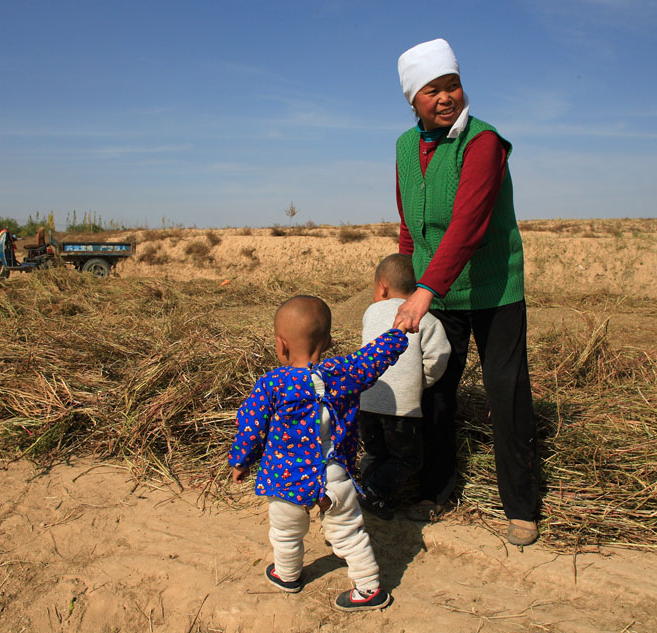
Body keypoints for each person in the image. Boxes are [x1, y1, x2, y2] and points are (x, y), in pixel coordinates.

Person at [391, 38, 541, 546]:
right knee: (434, 392)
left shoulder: (484, 142)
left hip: (494, 289)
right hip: (436, 293)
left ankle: (521, 505)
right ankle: (437, 490)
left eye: (451, 84)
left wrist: (425, 289)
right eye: (431, 90)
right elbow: (412, 226)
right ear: (412, 99)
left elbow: (469, 224)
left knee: (508, 395)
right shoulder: (404, 149)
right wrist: (403, 287)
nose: (445, 97)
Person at [228, 295, 407, 612]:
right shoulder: (344, 372)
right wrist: (398, 332)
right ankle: (369, 588)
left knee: (285, 533)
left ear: (280, 345)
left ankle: (288, 574)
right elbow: (374, 357)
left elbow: (251, 427)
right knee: (349, 533)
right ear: (329, 341)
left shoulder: (273, 385)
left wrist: (240, 462)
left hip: (287, 480)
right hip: (336, 477)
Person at [358, 254, 450, 520]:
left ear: (382, 287)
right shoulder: (427, 319)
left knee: (375, 452)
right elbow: (438, 357)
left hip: (367, 400)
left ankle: (371, 494)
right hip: (403, 407)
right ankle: (375, 491)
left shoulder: (371, 312)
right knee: (407, 459)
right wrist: (421, 382)